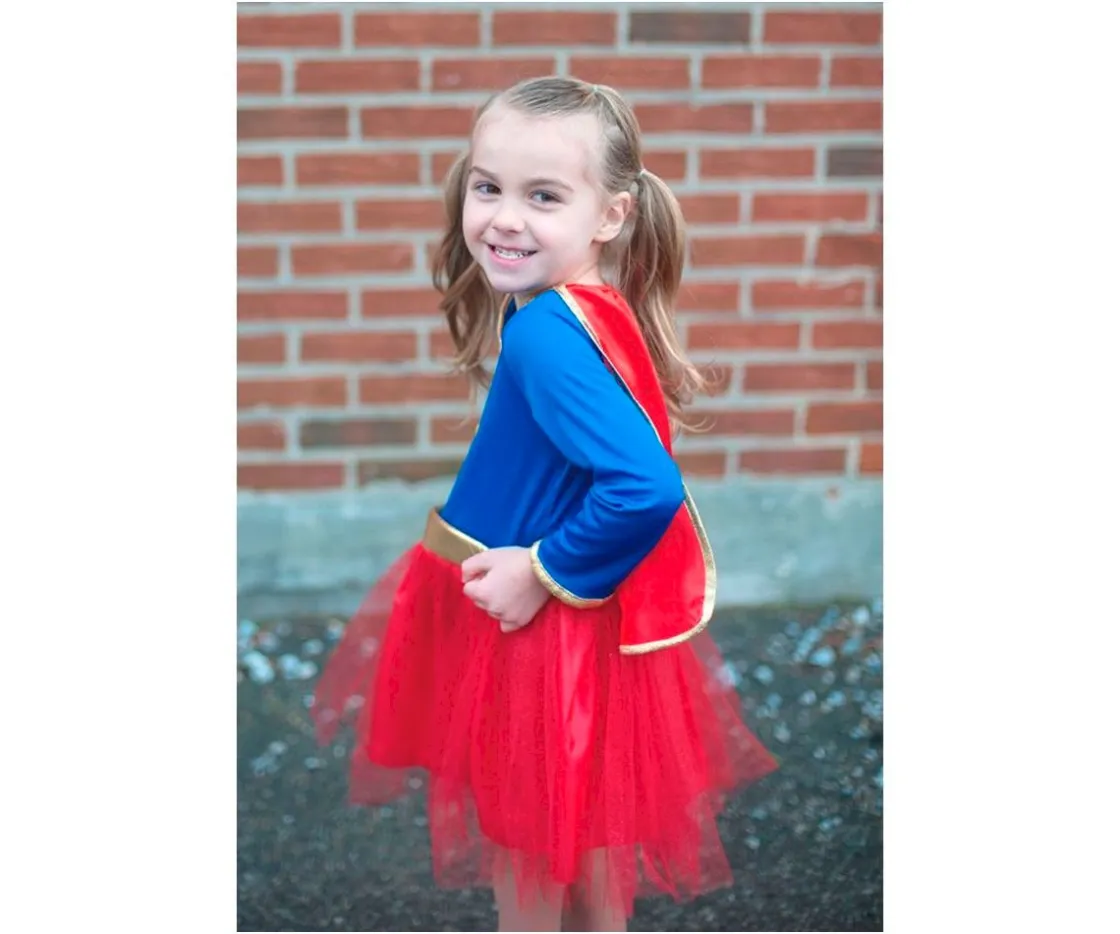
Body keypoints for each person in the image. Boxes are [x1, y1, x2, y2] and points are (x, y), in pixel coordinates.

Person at [312, 76, 778, 932]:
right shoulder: (585, 307)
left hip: (530, 627)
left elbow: (645, 487)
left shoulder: (544, 333)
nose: (504, 218)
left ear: (611, 215)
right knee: (581, 834)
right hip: (569, 624)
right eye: (488, 186)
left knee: (528, 848)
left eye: (544, 197)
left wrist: (541, 571)